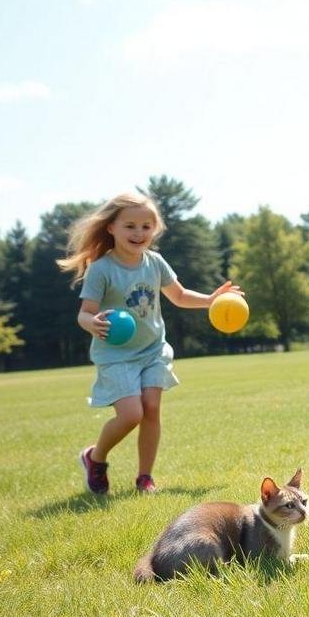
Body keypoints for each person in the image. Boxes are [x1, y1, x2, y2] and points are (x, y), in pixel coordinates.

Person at [57, 192, 243, 494]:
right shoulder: (102, 269)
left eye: (146, 226)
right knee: (132, 415)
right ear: (111, 228)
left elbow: (179, 296)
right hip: (115, 355)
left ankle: (145, 477)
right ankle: (95, 457)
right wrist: (94, 324)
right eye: (130, 226)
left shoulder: (155, 262)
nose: (139, 233)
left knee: (152, 408)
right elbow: (84, 314)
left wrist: (210, 301)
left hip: (153, 350)